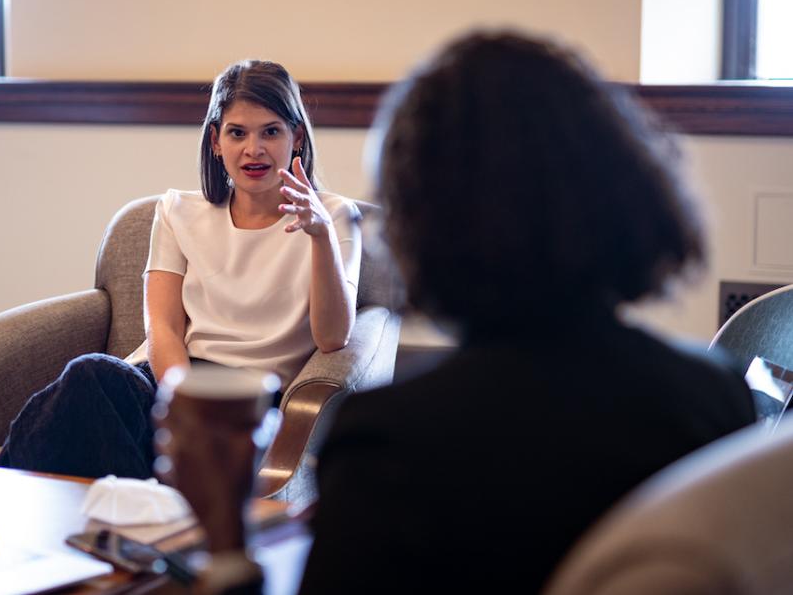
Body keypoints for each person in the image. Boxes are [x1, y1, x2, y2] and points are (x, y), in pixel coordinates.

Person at [157, 31, 756, 594]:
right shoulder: (717, 399)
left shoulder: (388, 443)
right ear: (627, 186)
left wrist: (231, 552)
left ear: (423, 222)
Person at [0, 59, 362, 479]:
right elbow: (163, 330)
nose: (253, 149)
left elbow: (332, 337)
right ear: (216, 141)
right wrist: (184, 405)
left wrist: (320, 236)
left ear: (296, 136)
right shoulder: (178, 211)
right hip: (175, 381)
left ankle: (134, 515)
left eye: (271, 131)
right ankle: (5, 505)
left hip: (253, 398)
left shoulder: (334, 216)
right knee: (90, 375)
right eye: (237, 132)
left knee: (83, 437)